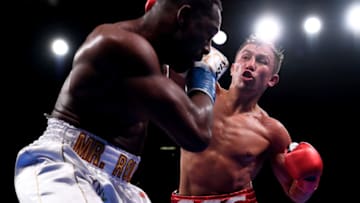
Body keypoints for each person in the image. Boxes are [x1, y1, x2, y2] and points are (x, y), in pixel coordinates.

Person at [14, 0, 226, 202]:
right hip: (67, 166)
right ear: (184, 16)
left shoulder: (156, 65)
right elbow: (197, 133)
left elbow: (191, 112)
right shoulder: (122, 46)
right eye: (208, 34)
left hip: (118, 181)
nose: (207, 48)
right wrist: (205, 74)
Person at [171, 35, 323, 203]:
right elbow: (164, 67)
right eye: (245, 57)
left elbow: (295, 194)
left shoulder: (271, 130)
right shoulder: (201, 95)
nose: (250, 64)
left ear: (272, 80)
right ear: (233, 68)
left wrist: (308, 181)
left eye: (262, 61)